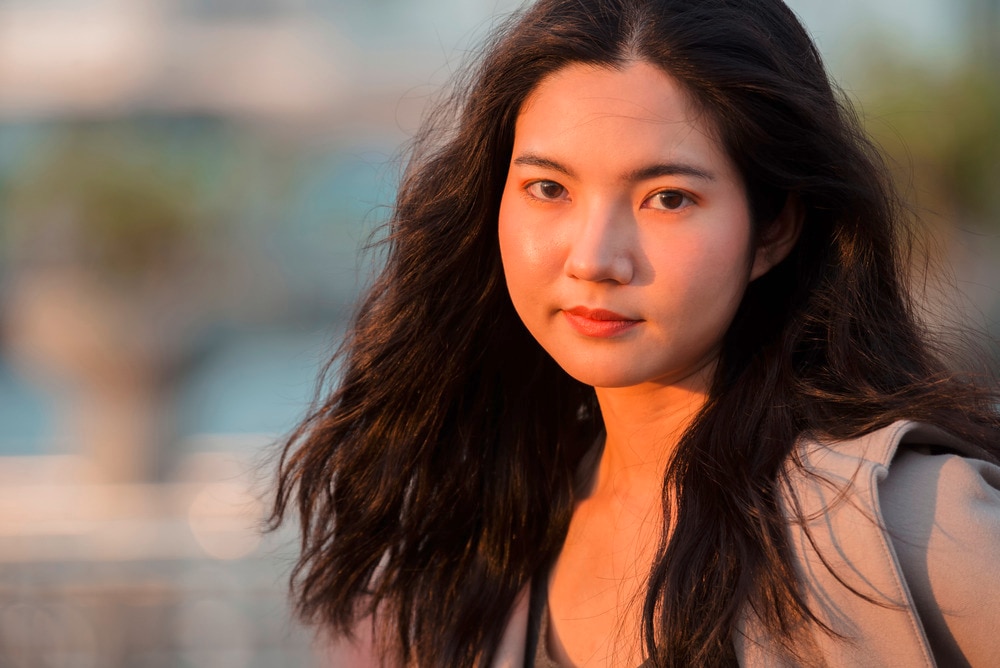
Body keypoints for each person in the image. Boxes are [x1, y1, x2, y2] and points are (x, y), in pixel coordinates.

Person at [269, 0, 1000, 665]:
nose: (594, 259)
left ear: (774, 226)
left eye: (667, 198)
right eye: (548, 188)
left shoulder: (906, 520)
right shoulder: (490, 534)